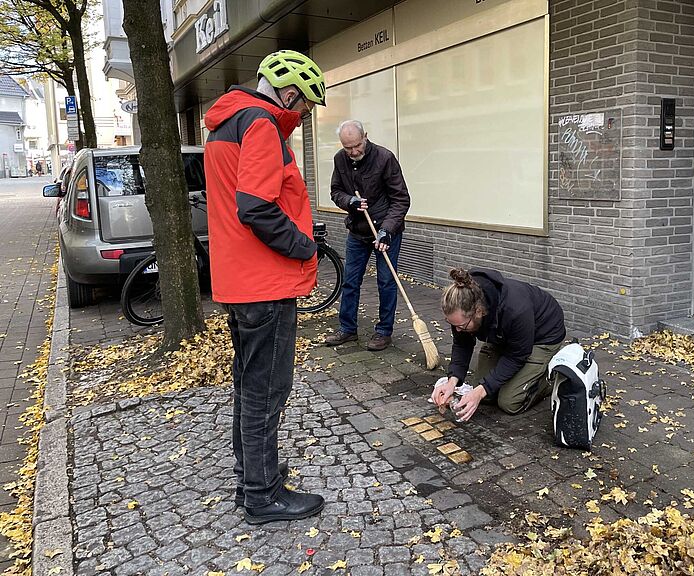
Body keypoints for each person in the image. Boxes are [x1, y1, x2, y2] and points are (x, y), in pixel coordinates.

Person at [203, 50, 326, 525]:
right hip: (265, 282)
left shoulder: (225, 123)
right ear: (290, 90)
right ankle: (262, 494)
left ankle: (252, 471)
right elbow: (255, 205)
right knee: (266, 391)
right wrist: (304, 246)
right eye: (304, 104)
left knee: (248, 384)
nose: (301, 114)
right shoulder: (260, 124)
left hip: (240, 279)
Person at [431, 268, 566, 421]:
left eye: (461, 325)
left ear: (479, 312)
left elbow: (517, 356)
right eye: (452, 324)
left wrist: (481, 391)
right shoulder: (462, 305)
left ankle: (548, 378)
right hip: (506, 336)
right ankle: (518, 377)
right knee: (485, 395)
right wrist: (452, 381)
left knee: (509, 402)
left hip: (543, 336)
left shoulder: (516, 310)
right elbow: (462, 344)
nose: (457, 330)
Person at [325, 120, 411, 351]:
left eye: (356, 146)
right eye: (348, 148)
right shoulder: (339, 159)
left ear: (365, 137)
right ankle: (347, 329)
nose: (353, 152)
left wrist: (387, 231)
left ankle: (384, 332)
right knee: (350, 281)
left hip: (385, 231)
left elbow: (401, 199)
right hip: (358, 231)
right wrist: (349, 202)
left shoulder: (385, 158)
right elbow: (336, 191)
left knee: (386, 281)